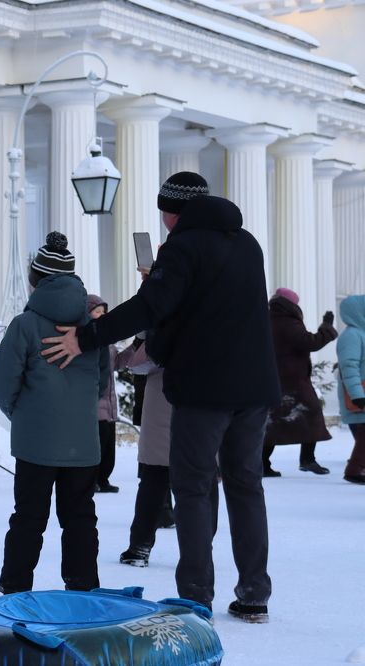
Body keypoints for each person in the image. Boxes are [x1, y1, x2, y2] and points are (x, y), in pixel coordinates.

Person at [41, 172, 280, 623]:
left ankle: (195, 594)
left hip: (204, 387)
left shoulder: (182, 247)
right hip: (254, 388)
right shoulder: (247, 243)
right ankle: (254, 593)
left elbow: (149, 308)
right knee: (246, 485)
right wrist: (167, 281)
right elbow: (215, 304)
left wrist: (87, 337)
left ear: (172, 212)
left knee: (192, 486)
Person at [0, 231, 102, 594]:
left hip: (36, 441)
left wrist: (19, 412)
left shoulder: (25, 325)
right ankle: (82, 586)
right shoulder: (90, 329)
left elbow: (3, 379)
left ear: (35, 280)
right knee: (80, 518)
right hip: (83, 443)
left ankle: (16, 586)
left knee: (28, 518)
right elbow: (101, 383)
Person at [117, 336, 216, 568]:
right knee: (202, 482)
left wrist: (142, 339)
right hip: (204, 403)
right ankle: (201, 549)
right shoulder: (215, 315)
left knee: (154, 478)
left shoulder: (164, 316)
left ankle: (139, 547)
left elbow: (138, 363)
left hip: (164, 398)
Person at [261, 288, 337, 476]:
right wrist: (326, 328)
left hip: (276, 379)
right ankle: (307, 460)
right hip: (293, 380)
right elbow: (310, 342)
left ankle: (263, 464)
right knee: (311, 413)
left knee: (273, 421)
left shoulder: (268, 319)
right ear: (290, 304)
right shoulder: (287, 322)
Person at [88, 294, 119, 493]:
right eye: (97, 312)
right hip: (96, 404)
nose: (101, 316)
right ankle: (93, 480)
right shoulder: (88, 339)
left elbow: (118, 361)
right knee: (97, 445)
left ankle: (103, 479)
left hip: (109, 405)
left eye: (103, 312)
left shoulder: (108, 342)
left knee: (109, 447)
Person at [336, 295, 365, 485]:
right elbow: (349, 366)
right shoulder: (352, 335)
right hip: (359, 394)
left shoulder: (360, 333)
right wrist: (357, 395)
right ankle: (354, 470)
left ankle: (356, 468)